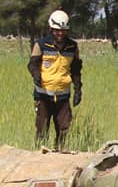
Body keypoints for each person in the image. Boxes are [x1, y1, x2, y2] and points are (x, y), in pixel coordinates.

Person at [29, 10, 82, 150]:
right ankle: (38, 156)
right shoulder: (41, 45)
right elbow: (33, 64)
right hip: (43, 95)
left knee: (64, 129)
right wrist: (36, 75)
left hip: (63, 97)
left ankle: (60, 153)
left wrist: (78, 90)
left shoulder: (73, 47)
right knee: (42, 129)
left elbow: (76, 70)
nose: (60, 33)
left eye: (63, 31)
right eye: (57, 30)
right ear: (51, 28)